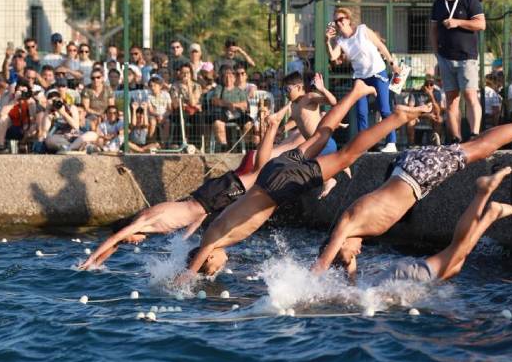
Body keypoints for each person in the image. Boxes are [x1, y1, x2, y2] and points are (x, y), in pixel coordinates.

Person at [179, 80, 430, 280]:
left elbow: (191, 271)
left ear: (208, 259)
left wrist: (182, 282)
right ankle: (356, 92)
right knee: (320, 137)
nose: (221, 267)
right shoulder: (215, 230)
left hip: (277, 186)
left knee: (346, 156)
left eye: (214, 269)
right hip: (271, 174)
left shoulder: (211, 240)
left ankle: (397, 118)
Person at [311, 108, 512, 278]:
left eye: (349, 255)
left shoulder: (346, 225)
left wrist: (303, 292)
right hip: (410, 171)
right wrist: (347, 277)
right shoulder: (354, 231)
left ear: (338, 245)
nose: (357, 255)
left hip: (417, 173)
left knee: (481, 148)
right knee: (478, 145)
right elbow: (350, 274)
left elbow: (321, 265)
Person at [79, 112, 315, 270]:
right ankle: (298, 134)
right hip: (206, 200)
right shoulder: (147, 224)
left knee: (260, 172)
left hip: (211, 196)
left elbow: (115, 237)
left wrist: (90, 259)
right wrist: (99, 263)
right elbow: (118, 241)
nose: (135, 243)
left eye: (130, 240)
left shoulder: (143, 221)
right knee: (261, 171)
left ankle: (279, 127)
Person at [373, 168, 512, 285]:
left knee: (456, 251)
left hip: (400, 279)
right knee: (455, 265)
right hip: (398, 280)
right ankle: (491, 213)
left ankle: (483, 193)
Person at [325, 7, 401, 153]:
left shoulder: (362, 30)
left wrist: (392, 64)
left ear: (348, 20)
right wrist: (327, 40)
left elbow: (380, 45)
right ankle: (363, 145)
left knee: (384, 109)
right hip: (361, 78)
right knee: (361, 112)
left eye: (341, 19)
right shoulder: (341, 41)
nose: (339, 23)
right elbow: (333, 57)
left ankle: (391, 142)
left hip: (377, 73)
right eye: (336, 21)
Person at [430, 0, 486, 143]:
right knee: (451, 100)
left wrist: (458, 22)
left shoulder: (469, 1)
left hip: (466, 57)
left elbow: (481, 24)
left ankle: (474, 134)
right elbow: (433, 30)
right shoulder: (438, 4)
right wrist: (436, 52)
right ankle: (456, 138)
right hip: (445, 58)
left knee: (470, 95)